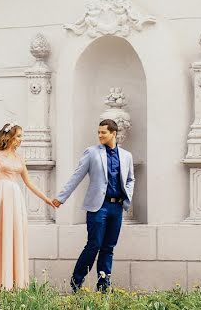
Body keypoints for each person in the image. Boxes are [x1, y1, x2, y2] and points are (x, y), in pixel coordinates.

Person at [0, 123, 58, 290]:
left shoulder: (19, 159)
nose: (20, 140)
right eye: (18, 136)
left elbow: (29, 182)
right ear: (9, 136)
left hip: (15, 199)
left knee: (14, 236)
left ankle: (12, 283)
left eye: (21, 136)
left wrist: (46, 199)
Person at [52, 119, 134, 292]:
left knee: (108, 248)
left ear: (114, 133)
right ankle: (77, 282)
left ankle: (104, 286)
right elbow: (77, 176)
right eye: (98, 132)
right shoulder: (92, 153)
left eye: (103, 132)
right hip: (98, 207)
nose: (100, 135)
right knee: (94, 244)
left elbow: (130, 179)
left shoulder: (126, 156)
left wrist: (128, 196)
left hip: (117, 208)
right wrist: (61, 198)